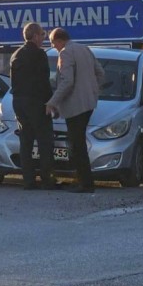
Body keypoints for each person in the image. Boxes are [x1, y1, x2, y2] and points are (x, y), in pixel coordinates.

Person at [45, 28, 106, 194]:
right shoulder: (84, 49)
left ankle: (85, 183)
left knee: (77, 145)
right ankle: (84, 181)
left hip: (74, 106)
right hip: (89, 103)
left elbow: (67, 82)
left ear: (59, 40)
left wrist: (52, 102)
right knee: (79, 143)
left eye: (52, 42)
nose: (53, 46)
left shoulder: (65, 53)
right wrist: (93, 90)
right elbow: (101, 73)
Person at [10, 22, 60, 190]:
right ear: (35, 36)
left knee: (26, 141)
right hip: (36, 102)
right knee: (45, 141)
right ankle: (47, 179)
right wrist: (51, 103)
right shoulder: (39, 55)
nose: (43, 39)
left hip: (18, 101)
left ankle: (28, 180)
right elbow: (43, 81)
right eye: (42, 35)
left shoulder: (16, 54)